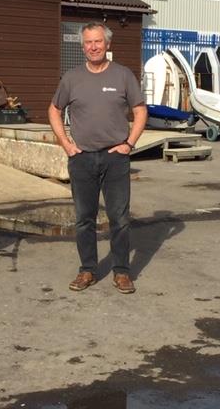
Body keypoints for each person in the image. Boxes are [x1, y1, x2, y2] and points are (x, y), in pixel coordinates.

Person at [48, 22, 147, 294]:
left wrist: (129, 143)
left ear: (108, 44)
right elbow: (54, 110)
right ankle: (87, 270)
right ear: (83, 46)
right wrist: (66, 144)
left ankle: (122, 272)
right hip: (82, 159)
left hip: (115, 158)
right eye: (88, 42)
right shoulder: (72, 78)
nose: (93, 47)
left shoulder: (123, 76)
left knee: (119, 217)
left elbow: (140, 111)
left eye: (98, 42)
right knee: (84, 218)